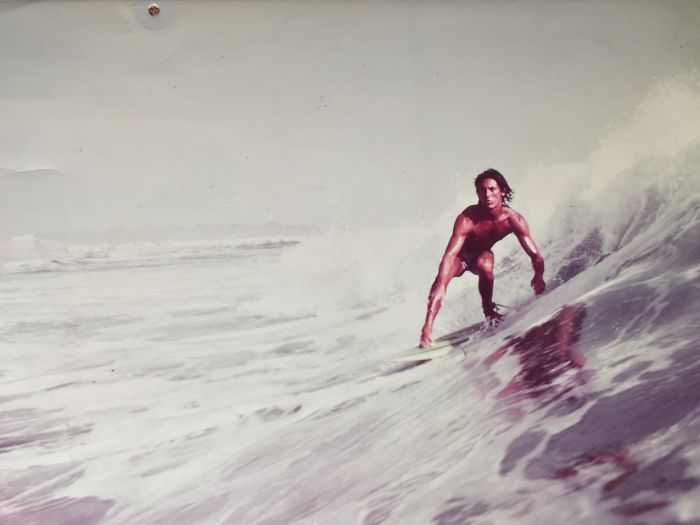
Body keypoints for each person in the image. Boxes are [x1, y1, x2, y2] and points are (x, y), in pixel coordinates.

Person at [419, 169, 545, 348]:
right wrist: (440, 285)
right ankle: (427, 330)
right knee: (442, 280)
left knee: (485, 264)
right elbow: (449, 256)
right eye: (482, 190)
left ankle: (488, 311)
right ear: (477, 193)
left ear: (502, 191)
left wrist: (538, 276)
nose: (487, 195)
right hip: (460, 259)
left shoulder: (513, 220)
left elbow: (535, 256)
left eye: (492, 189)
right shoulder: (467, 219)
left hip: (481, 254)